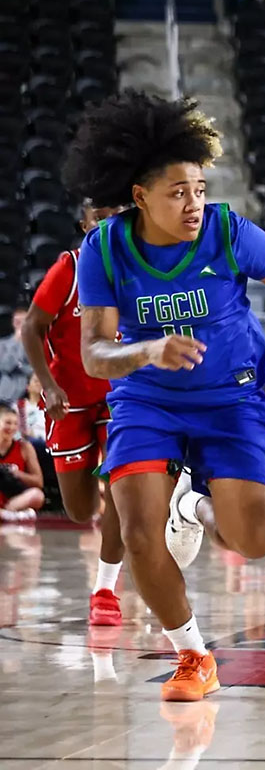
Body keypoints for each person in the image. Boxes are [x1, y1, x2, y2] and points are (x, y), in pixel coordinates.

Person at [63, 91, 265, 702]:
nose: (193, 203)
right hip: (147, 399)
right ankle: (192, 654)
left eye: (198, 188)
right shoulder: (104, 248)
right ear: (140, 197)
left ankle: (193, 506)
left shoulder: (226, 230)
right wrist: (147, 351)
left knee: (256, 542)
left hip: (230, 398)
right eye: (177, 192)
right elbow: (93, 353)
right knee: (138, 532)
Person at [20, 202, 129, 626]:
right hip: (68, 397)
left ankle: (105, 589)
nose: (108, 222)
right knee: (81, 510)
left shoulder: (141, 266)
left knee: (123, 481)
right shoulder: (70, 268)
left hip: (119, 396)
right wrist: (47, 385)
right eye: (100, 215)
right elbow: (32, 327)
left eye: (116, 214)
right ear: (86, 224)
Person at [0, 403, 45, 521]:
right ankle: (11, 515)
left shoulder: (24, 447)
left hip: (14, 497)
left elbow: (38, 482)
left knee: (37, 495)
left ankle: (7, 512)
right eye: (8, 423)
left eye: (15, 424)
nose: (12, 427)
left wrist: (17, 473)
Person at [0, 308, 32, 405]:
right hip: (8, 393)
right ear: (13, 323)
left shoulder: (37, 344)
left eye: (23, 321)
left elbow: (36, 369)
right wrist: (16, 341)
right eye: (17, 321)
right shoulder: (2, 344)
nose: (20, 324)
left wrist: (20, 366)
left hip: (31, 394)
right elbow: (4, 367)